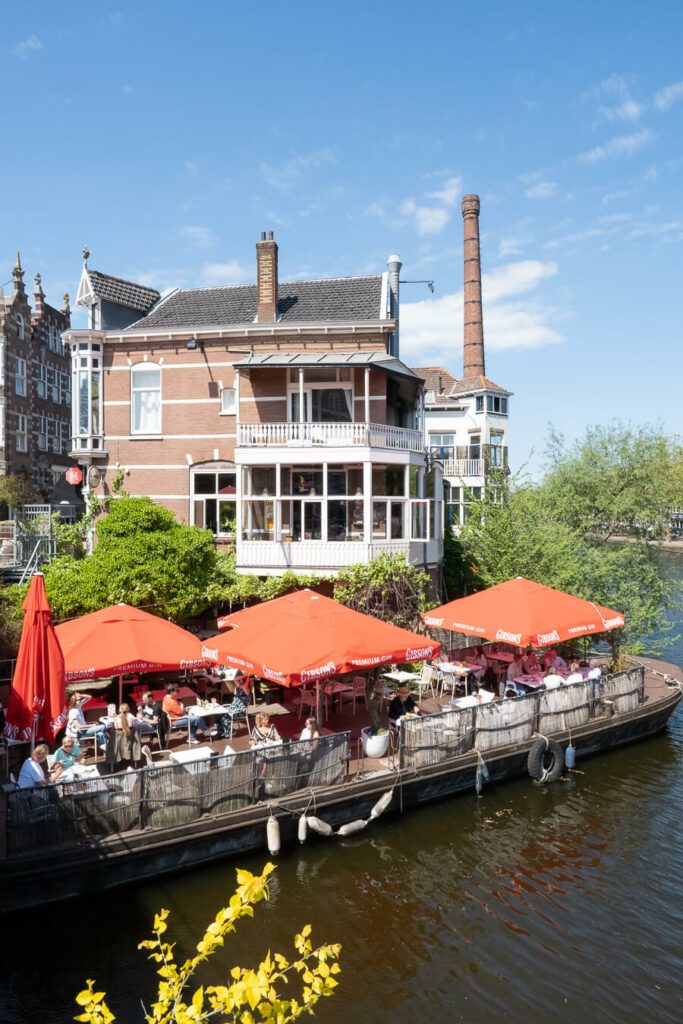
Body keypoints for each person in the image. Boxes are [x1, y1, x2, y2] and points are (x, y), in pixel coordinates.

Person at [216, 675, 251, 739]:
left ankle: (230, 731)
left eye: (241, 680)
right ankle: (222, 731)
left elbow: (245, 687)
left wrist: (247, 678)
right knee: (218, 714)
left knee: (224, 716)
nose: (239, 681)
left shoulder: (247, 690)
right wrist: (243, 676)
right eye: (239, 680)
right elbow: (235, 679)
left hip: (240, 710)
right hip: (232, 707)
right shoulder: (239, 688)